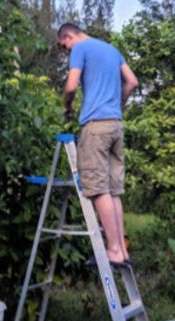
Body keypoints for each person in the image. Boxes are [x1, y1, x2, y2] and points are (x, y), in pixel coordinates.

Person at [58, 21, 139, 267]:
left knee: (98, 188)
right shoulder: (111, 50)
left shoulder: (81, 48)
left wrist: (67, 106)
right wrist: (118, 105)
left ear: (69, 36)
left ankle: (113, 250)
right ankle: (122, 250)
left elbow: (71, 85)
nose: (67, 52)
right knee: (114, 190)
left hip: (95, 127)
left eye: (65, 47)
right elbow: (132, 82)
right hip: (116, 125)